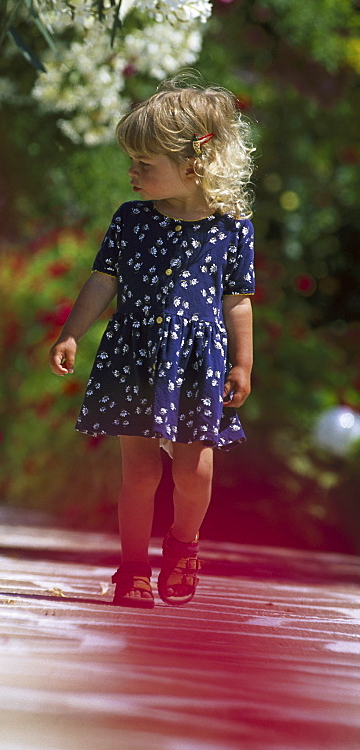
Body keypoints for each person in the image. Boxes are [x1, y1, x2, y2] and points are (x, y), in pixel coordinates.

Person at [49, 78, 255, 609]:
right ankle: (133, 569)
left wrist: (243, 364)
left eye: (145, 163)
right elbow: (102, 280)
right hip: (132, 356)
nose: (132, 173)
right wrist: (73, 333)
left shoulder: (231, 228)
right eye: (132, 162)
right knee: (139, 471)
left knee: (195, 469)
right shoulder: (130, 220)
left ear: (194, 167)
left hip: (197, 363)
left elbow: (237, 300)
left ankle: (184, 544)